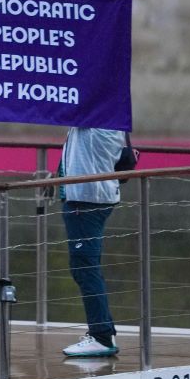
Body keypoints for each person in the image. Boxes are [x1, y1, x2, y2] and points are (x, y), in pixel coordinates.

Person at [57, 127, 124, 358]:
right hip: (88, 197)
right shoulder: (104, 116)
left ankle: (101, 336)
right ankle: (103, 332)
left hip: (86, 200)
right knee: (86, 267)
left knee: (85, 269)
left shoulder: (94, 118)